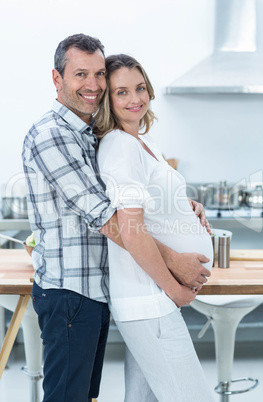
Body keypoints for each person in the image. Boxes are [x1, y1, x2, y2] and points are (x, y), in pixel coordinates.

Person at [22, 33, 211, 402]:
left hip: (97, 290)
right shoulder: (54, 136)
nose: (92, 85)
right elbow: (109, 218)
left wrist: (177, 205)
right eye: (80, 74)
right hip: (70, 290)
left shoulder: (90, 134)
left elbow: (131, 203)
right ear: (57, 79)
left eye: (98, 75)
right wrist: (175, 273)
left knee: (85, 396)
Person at [96, 54, 215, 401]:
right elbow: (129, 230)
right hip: (151, 300)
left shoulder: (142, 144)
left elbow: (150, 210)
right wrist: (173, 290)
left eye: (140, 88)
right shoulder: (120, 145)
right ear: (108, 99)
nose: (135, 99)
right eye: (122, 92)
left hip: (152, 301)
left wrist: (184, 205)